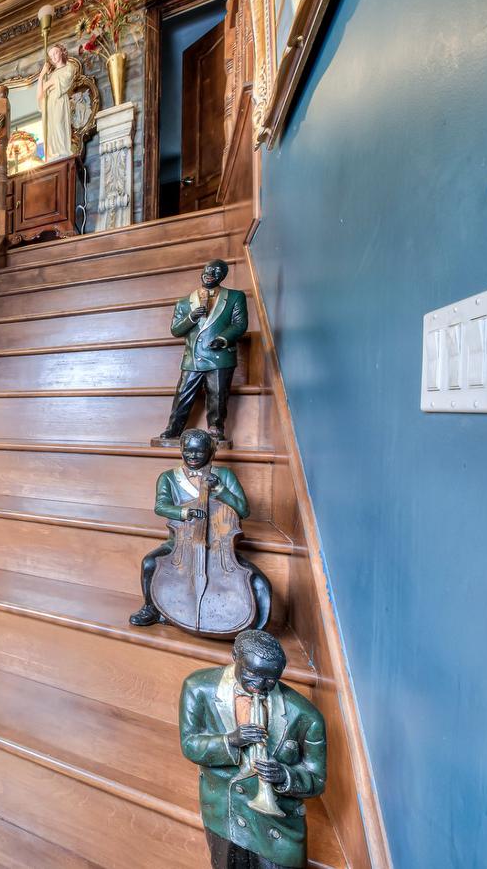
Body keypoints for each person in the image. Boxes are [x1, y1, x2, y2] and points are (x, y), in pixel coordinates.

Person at [180, 630, 327, 869]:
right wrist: (231, 741)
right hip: (224, 813)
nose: (259, 686)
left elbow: (317, 779)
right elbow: (190, 745)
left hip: (278, 824)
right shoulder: (197, 688)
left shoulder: (306, 716)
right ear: (234, 656)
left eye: (271, 680)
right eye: (251, 674)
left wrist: (285, 776)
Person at [129, 429, 272, 630]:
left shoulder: (224, 474)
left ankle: (255, 627)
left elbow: (243, 510)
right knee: (149, 563)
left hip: (219, 544)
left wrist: (221, 490)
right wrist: (186, 512)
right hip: (180, 542)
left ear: (211, 452)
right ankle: (151, 607)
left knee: (259, 583)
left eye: (199, 452)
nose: (193, 456)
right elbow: (160, 506)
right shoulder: (168, 478)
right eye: (187, 451)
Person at [158, 258, 249, 443]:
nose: (210, 274)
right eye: (208, 270)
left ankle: (216, 428)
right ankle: (173, 428)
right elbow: (176, 330)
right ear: (202, 272)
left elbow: (240, 324)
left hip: (219, 356)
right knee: (183, 394)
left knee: (217, 394)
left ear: (223, 276)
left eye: (216, 272)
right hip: (193, 357)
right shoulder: (184, 303)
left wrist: (223, 339)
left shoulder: (235, 297)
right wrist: (191, 317)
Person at [37, 43, 80, 159]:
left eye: (55, 53)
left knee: (59, 124)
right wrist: (42, 75)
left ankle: (63, 150)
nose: (54, 57)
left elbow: (65, 81)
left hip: (60, 101)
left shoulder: (69, 66)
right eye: (51, 56)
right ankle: (55, 153)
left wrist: (49, 84)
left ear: (61, 51)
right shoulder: (50, 74)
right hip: (50, 103)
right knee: (51, 129)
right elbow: (40, 94)